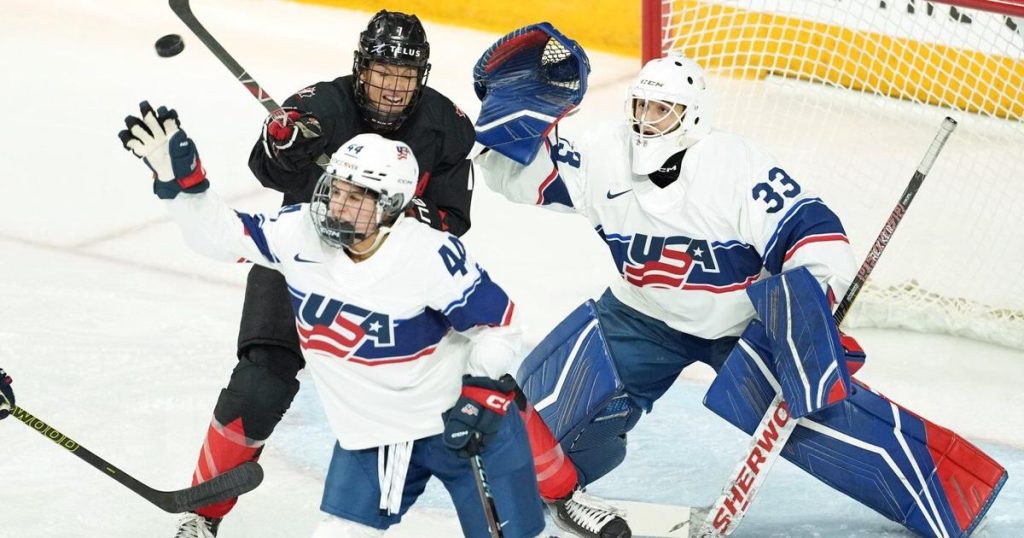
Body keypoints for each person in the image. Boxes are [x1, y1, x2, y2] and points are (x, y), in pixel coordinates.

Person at [474, 53, 860, 536]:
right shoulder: (602, 152)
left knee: (833, 421)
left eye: (662, 110)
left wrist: (811, 317)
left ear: (693, 116)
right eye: (640, 106)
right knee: (537, 444)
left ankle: (931, 485)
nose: (646, 121)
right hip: (642, 314)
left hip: (740, 327)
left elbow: (815, 233)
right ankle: (563, 495)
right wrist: (505, 124)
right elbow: (515, 176)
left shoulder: (736, 167)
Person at [119, 103, 545, 537]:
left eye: (357, 196)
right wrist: (184, 186)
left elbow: (500, 324)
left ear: (392, 205)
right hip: (373, 438)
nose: (338, 205)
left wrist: (480, 390)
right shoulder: (298, 232)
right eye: (337, 190)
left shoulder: (429, 255)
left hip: (463, 426)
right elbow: (220, 237)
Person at [175, 10, 476, 536]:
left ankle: (534, 498)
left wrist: (398, 211)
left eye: (404, 77)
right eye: (382, 73)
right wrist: (281, 146)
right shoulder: (319, 106)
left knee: (456, 392)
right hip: (302, 262)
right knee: (259, 386)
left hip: (391, 281)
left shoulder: (446, 125)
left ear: (421, 77)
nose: (391, 88)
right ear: (362, 68)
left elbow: (452, 221)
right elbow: (267, 168)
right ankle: (203, 514)